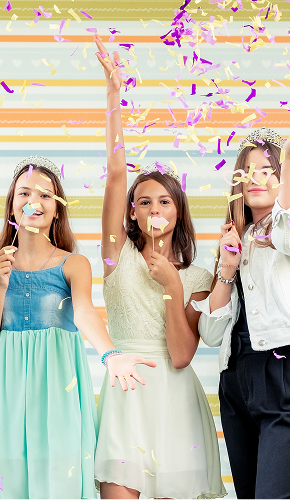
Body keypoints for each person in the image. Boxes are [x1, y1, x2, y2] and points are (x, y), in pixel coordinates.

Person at [0, 155, 156, 499]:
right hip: (10, 410)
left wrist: (111, 355)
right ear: (12, 207)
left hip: (61, 402)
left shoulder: (74, 264)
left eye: (45, 195)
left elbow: (85, 312)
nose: (34, 202)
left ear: (57, 209)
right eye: (24, 193)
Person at [93, 34, 226, 499]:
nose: (153, 208)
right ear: (131, 212)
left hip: (176, 404)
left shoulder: (198, 276)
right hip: (126, 398)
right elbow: (115, 175)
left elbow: (184, 353)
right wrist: (114, 95)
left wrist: (171, 283)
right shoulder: (116, 255)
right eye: (143, 201)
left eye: (164, 201)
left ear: (177, 212)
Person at [192, 128, 290, 499]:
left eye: (267, 169)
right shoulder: (235, 237)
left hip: (279, 368)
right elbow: (213, 334)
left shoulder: (284, 229)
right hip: (235, 377)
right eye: (246, 170)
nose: (255, 178)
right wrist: (226, 269)